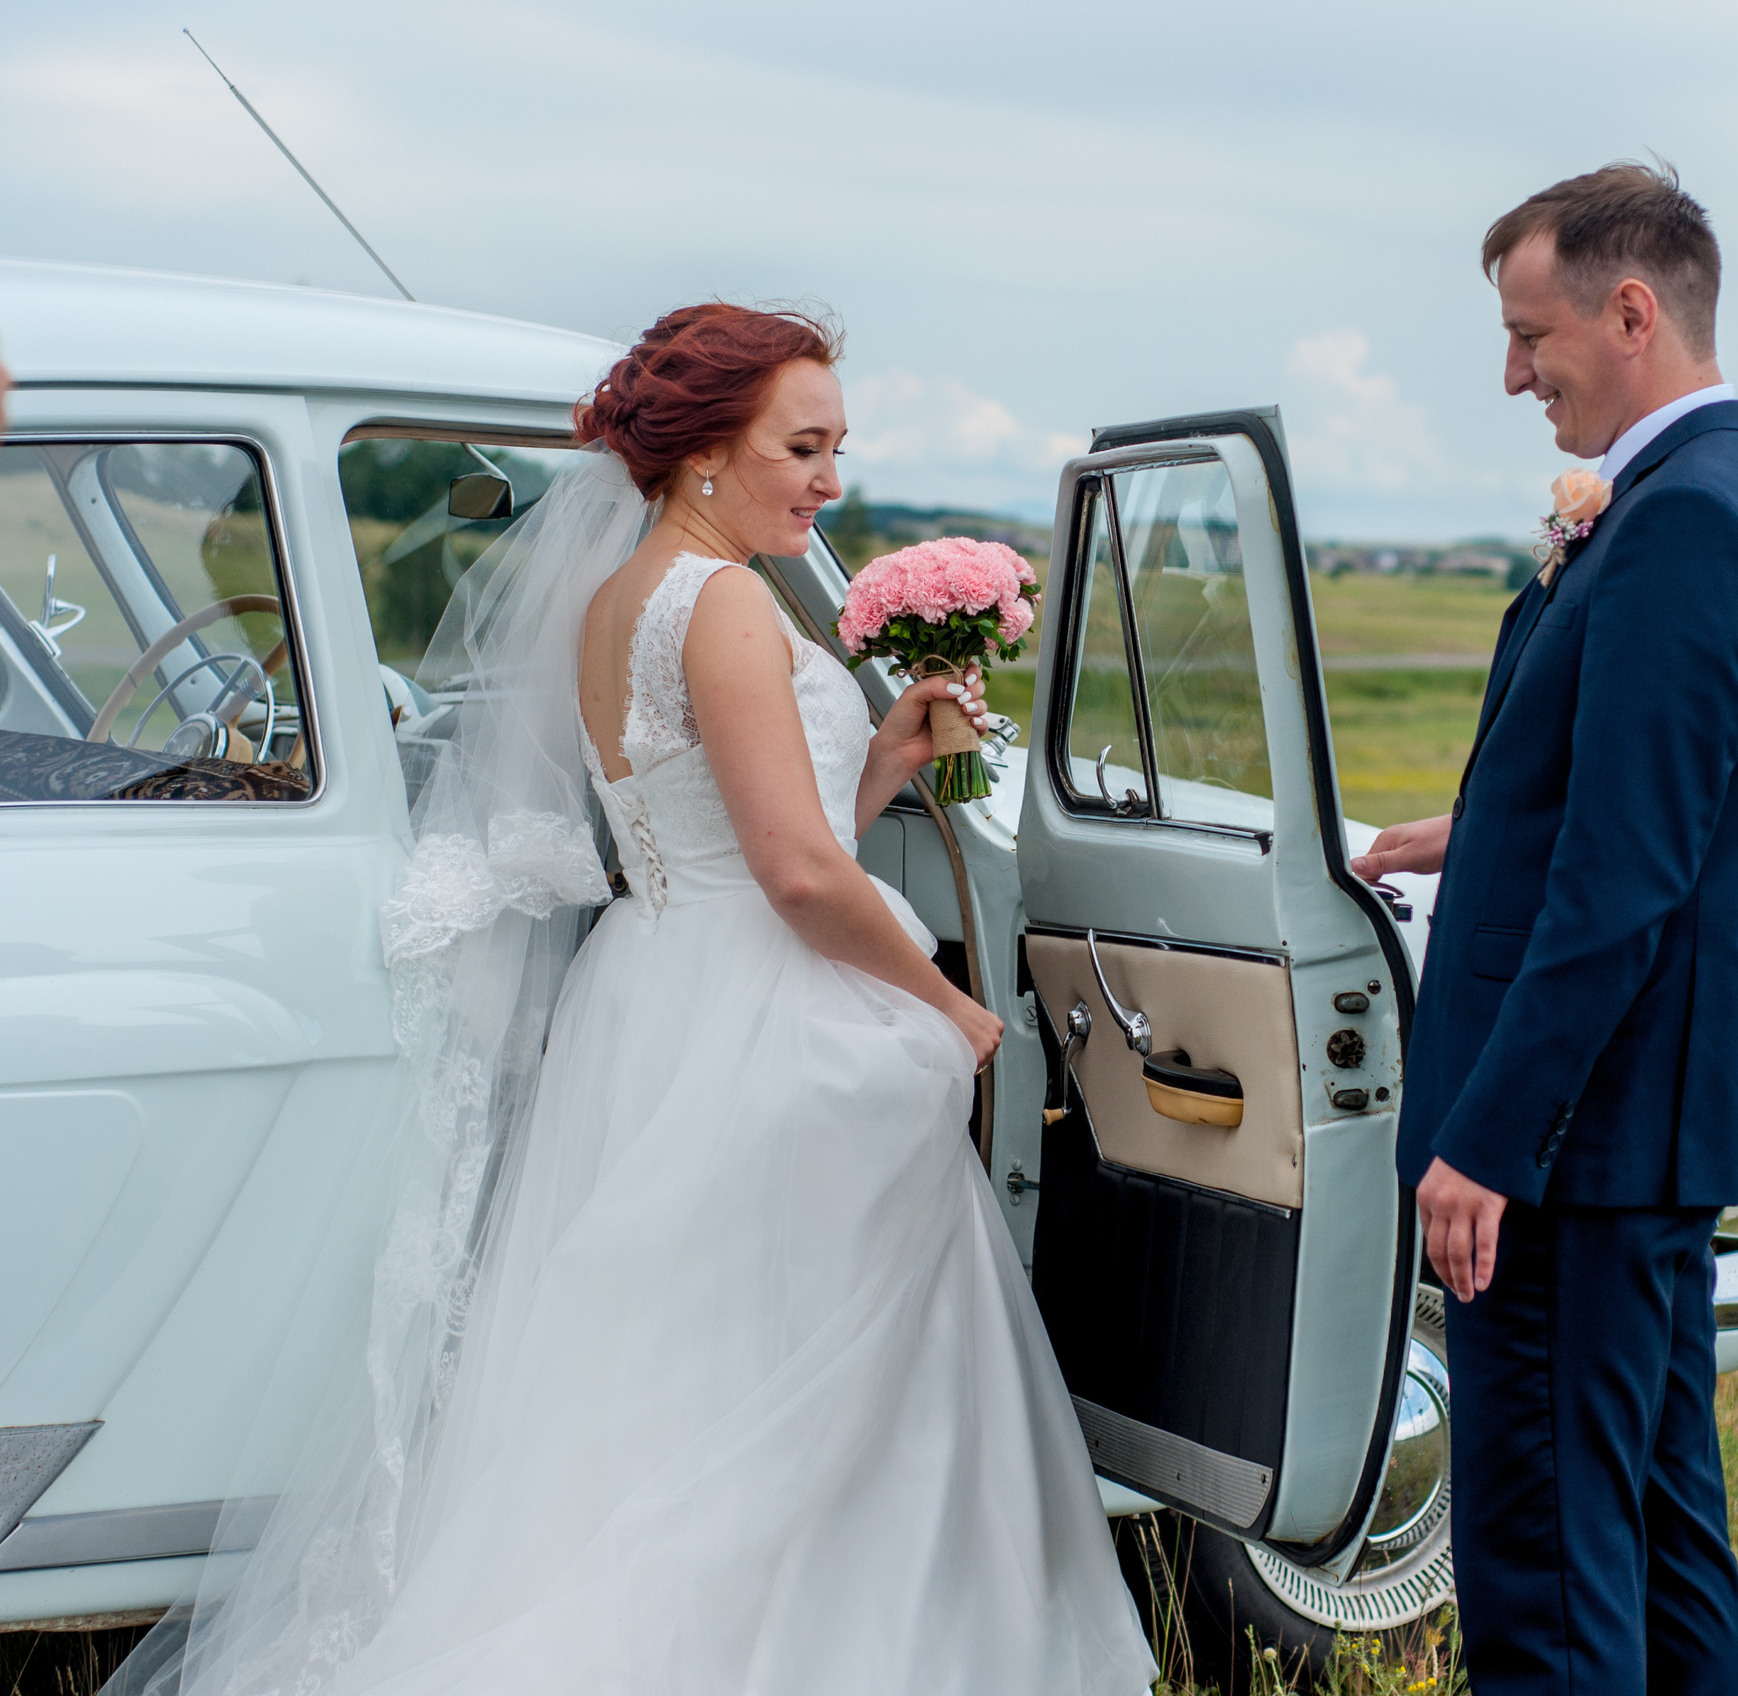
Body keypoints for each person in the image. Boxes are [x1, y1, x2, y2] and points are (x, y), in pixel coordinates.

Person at [105, 305, 1156, 1696]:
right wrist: (951, 1009)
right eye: (805, 445)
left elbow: (731, 836)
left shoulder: (628, 602)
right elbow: (790, 874)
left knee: (692, 1374)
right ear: (709, 451)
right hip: (775, 1013)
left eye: (835, 445)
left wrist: (887, 762)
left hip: (664, 992)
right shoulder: (721, 606)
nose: (832, 479)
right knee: (799, 1390)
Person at [1351, 165, 1738, 1694]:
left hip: (1573, 1146)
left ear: (1632, 313)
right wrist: (1486, 824)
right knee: (1659, 1533)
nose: (1510, 373)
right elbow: (1640, 813)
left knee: (1549, 1578)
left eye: (1527, 332)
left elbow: (1628, 877)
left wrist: (1492, 1140)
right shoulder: (1711, 491)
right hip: (1637, 1141)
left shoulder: (1680, 521)